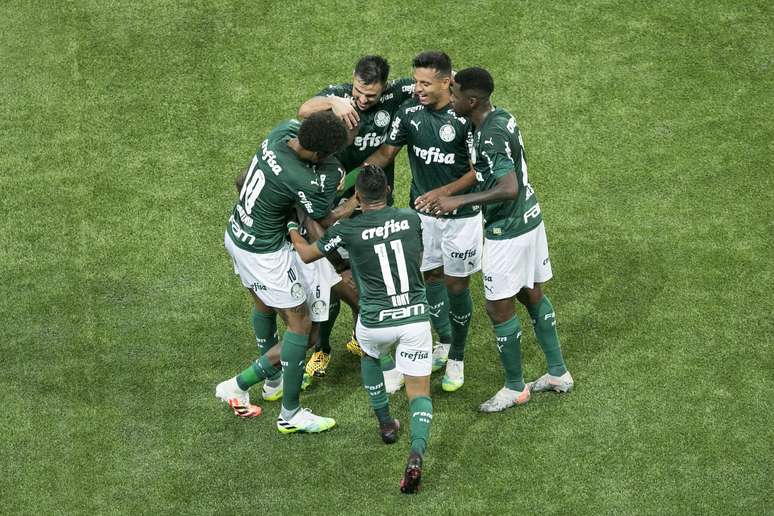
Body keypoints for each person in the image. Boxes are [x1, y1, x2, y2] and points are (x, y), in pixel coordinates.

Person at [429, 67, 573, 412]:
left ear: (472, 100)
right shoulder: (501, 116)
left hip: (507, 231)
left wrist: (456, 201)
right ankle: (557, 373)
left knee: (498, 306)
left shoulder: (489, 136)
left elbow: (508, 188)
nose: (451, 98)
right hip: (530, 218)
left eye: (456, 94)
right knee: (531, 292)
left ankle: (514, 387)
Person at [289, 165, 432, 494]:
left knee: (369, 357)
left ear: (358, 197)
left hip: (374, 321)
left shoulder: (348, 230)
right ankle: (415, 454)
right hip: (413, 317)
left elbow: (309, 254)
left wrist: (292, 228)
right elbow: (417, 254)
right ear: (388, 192)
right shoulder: (411, 219)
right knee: (419, 393)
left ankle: (385, 424)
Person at [215, 111, 358, 433]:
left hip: (238, 233)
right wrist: (354, 200)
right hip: (266, 254)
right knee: (303, 328)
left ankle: (273, 381)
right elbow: (324, 220)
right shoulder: (306, 178)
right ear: (320, 154)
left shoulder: (280, 134)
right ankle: (279, 408)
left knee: (264, 305)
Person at [365, 51, 481, 393]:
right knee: (428, 276)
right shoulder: (409, 112)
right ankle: (444, 340)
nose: (418, 88)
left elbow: (478, 171)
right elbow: (387, 153)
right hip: (423, 215)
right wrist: (349, 180)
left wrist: (443, 193)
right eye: (416, 81)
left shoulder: (465, 118)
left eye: (425, 83)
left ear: (447, 81)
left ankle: (457, 356)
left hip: (461, 218)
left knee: (457, 285)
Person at [298, 55, 415, 389]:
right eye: (359, 93)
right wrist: (336, 102)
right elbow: (305, 109)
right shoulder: (336, 96)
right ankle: (321, 348)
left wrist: (353, 191)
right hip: (332, 203)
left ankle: (362, 337)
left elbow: (442, 77)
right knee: (332, 276)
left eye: (371, 97)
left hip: (372, 201)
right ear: (352, 80)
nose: (364, 101)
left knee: (369, 274)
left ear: (385, 89)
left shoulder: (399, 92)